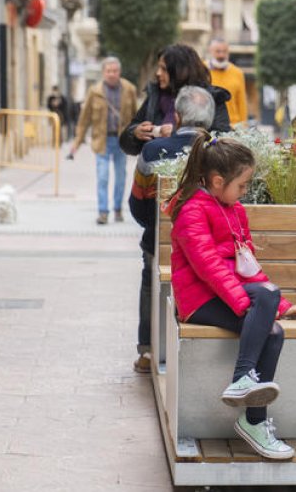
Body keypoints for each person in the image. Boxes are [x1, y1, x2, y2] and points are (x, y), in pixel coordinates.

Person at [168, 129, 296, 459]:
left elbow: (247, 266)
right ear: (217, 181)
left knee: (273, 332)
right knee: (266, 303)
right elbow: (210, 269)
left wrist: (279, 306)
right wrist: (251, 306)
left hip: (226, 294)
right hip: (198, 301)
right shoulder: (192, 212)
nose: (245, 191)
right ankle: (242, 377)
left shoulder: (234, 210)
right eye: (242, 185)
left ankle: (253, 422)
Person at [127, 86, 214, 373]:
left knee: (148, 278)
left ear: (176, 116)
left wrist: (153, 226)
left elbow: (137, 202)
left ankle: (147, 352)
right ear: (210, 120)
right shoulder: (221, 153)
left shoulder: (152, 151)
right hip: (209, 248)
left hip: (160, 242)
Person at [120, 44, 232, 157]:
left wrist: (176, 135)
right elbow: (126, 143)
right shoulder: (155, 96)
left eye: (164, 69)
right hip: (154, 169)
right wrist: (134, 133)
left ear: (181, 71)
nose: (158, 73)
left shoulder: (209, 98)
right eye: (158, 67)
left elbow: (221, 144)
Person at [71, 58, 139, 224]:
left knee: (121, 177)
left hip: (122, 141)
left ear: (119, 72)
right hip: (102, 140)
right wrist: (76, 143)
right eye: (108, 71)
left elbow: (136, 116)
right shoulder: (95, 91)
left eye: (115, 71)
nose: (112, 74)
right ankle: (103, 212)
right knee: (102, 176)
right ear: (103, 73)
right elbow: (84, 118)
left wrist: (138, 140)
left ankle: (117, 209)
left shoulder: (129, 89)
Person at [207, 39, 249, 128]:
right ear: (210, 51)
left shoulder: (238, 73)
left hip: (233, 125)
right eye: (218, 51)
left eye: (224, 51)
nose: (221, 55)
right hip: (209, 124)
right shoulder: (202, 70)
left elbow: (241, 102)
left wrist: (244, 125)